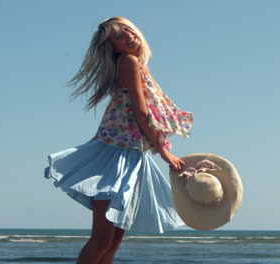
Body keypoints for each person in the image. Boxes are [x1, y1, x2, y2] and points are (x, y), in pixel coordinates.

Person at [44, 16, 193, 264]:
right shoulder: (129, 62)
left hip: (133, 155)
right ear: (112, 48)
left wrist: (159, 147)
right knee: (103, 239)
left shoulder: (140, 65)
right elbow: (142, 112)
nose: (128, 36)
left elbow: (149, 116)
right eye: (118, 36)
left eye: (127, 30)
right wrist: (164, 152)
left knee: (113, 242)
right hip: (115, 155)